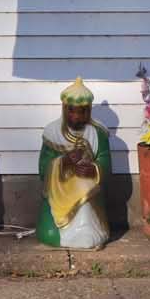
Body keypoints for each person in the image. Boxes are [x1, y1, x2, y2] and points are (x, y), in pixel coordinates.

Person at [37, 78, 111, 250]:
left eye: (83, 112)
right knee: (79, 187)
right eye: (72, 112)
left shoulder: (98, 133)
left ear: (89, 111)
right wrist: (63, 161)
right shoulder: (52, 132)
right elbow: (43, 168)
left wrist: (94, 169)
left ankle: (88, 230)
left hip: (88, 184)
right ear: (64, 109)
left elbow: (105, 160)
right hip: (59, 188)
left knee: (85, 187)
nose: (77, 117)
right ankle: (63, 233)